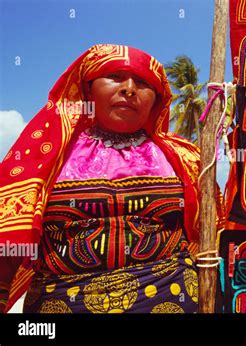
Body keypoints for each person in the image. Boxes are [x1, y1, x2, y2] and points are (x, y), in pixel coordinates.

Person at [0, 44, 221, 313]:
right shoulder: (44, 155)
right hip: (61, 303)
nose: (129, 88)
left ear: (156, 99)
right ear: (88, 89)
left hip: (171, 297)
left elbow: (216, 231)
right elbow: (8, 239)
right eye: (115, 77)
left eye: (142, 82)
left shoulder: (186, 158)